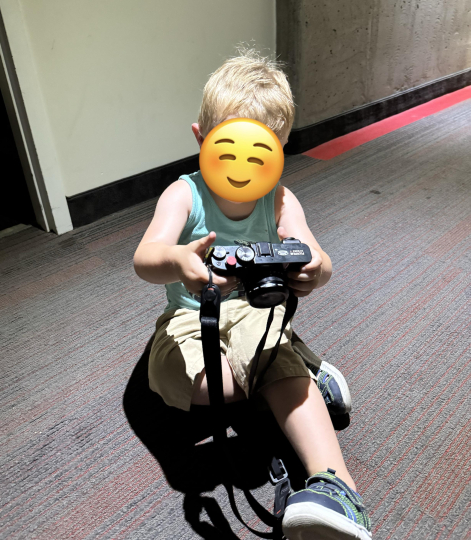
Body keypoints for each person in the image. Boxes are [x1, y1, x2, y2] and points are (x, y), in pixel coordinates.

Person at [133, 50, 372, 540]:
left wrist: (311, 271)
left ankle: (339, 487)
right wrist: (179, 262)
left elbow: (320, 260)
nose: (244, 168)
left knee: (263, 364)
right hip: (190, 316)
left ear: (281, 150)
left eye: (262, 153)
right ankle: (305, 371)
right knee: (187, 389)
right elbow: (144, 258)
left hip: (256, 316)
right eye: (228, 149)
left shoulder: (281, 198)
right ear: (201, 138)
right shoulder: (184, 194)